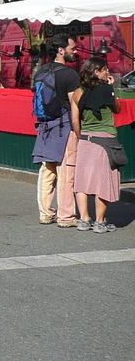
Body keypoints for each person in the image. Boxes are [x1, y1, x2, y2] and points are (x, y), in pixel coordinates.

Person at [32, 34, 81, 228]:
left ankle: (45, 213)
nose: (75, 52)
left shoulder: (40, 72)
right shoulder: (70, 75)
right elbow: (74, 104)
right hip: (64, 126)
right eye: (73, 48)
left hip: (45, 125)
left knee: (47, 170)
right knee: (66, 171)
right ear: (61, 50)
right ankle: (66, 216)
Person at [70, 57, 122, 233]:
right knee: (104, 182)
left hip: (85, 138)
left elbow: (75, 120)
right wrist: (112, 88)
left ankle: (84, 220)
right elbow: (117, 108)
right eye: (105, 69)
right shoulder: (107, 89)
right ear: (96, 71)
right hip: (106, 139)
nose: (108, 72)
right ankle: (100, 222)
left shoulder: (78, 92)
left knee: (82, 181)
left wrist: (80, 137)